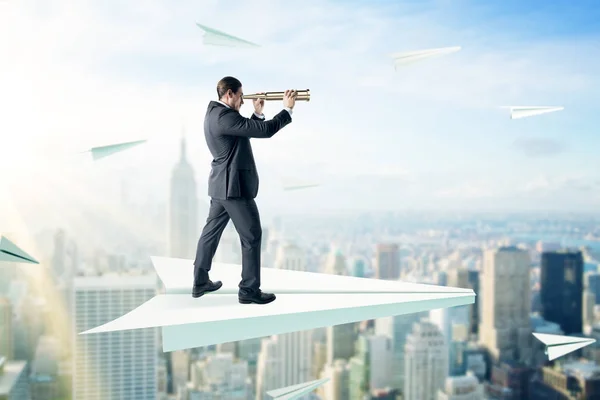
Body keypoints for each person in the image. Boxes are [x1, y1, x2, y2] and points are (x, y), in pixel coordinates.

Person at [192, 76, 298, 304]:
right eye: (240, 96)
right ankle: (249, 291)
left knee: (210, 233)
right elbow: (266, 130)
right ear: (229, 94)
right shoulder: (224, 116)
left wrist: (257, 113)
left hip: (221, 186)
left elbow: (242, 134)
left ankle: (200, 281)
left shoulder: (215, 114)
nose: (243, 100)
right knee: (252, 236)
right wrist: (287, 110)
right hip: (234, 188)